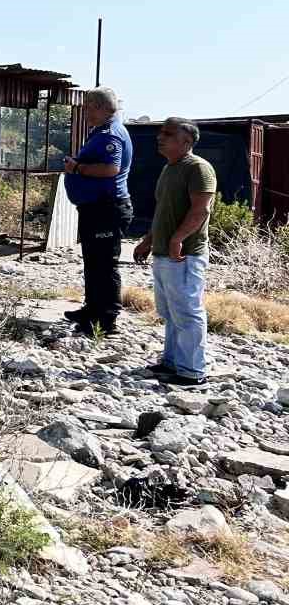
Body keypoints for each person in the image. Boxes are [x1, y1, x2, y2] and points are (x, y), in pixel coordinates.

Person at [132, 118, 216, 386]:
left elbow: (201, 210)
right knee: (169, 311)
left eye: (168, 134)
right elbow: (164, 211)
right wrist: (148, 240)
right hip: (164, 253)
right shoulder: (170, 168)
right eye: (161, 133)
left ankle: (192, 371)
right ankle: (171, 362)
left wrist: (178, 238)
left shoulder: (198, 168)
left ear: (187, 142)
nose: (161, 137)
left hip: (185, 254)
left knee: (187, 311)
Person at [61, 87, 134, 335]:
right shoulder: (101, 132)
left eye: (89, 107)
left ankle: (106, 319)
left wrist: (77, 168)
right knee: (93, 263)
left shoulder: (111, 133)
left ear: (100, 107)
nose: (85, 113)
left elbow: (110, 169)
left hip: (107, 208)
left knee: (104, 264)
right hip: (96, 208)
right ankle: (92, 310)